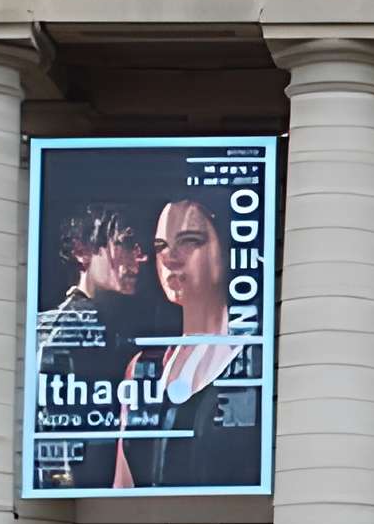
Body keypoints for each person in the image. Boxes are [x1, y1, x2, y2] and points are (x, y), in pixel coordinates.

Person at [113, 191, 264, 491]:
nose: (170, 258)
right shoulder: (143, 367)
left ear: (226, 246)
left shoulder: (258, 360)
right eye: (161, 247)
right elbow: (122, 490)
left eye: (190, 241)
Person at [33, 200, 147, 488]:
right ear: (81, 251)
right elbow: (54, 437)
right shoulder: (65, 330)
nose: (140, 256)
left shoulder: (115, 325)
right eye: (125, 243)